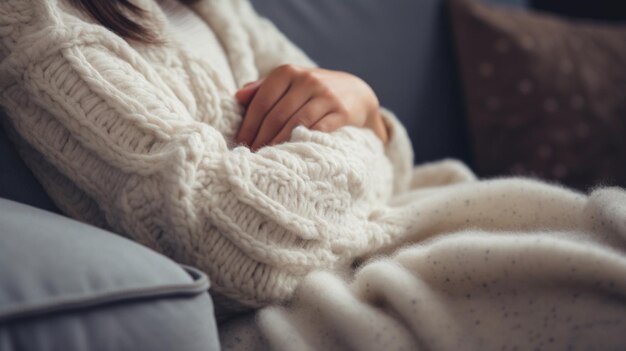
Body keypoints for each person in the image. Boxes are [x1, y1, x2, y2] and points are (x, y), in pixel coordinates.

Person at [2, 1, 626, 349]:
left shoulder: (215, 8)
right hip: (310, 302)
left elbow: (393, 153)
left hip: (392, 230)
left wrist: (362, 110)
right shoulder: (36, 21)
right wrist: (361, 132)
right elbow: (231, 234)